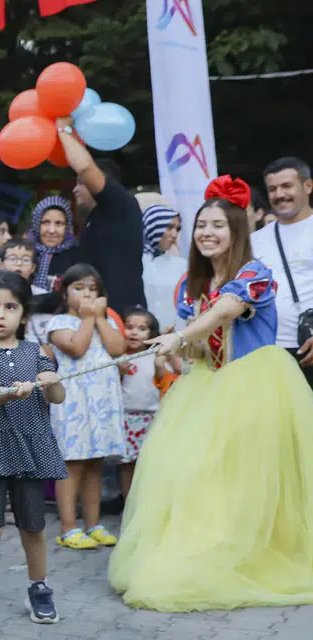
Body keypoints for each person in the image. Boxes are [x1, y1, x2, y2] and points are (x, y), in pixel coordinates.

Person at [110, 176, 313, 611]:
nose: (207, 232)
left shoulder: (254, 274)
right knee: (193, 474)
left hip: (256, 386)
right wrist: (176, 346)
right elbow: (203, 346)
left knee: (245, 480)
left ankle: (247, 556)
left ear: (236, 230)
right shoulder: (192, 285)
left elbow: (226, 311)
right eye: (201, 225)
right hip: (207, 386)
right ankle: (197, 553)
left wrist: (182, 335)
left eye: (218, 225)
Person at [0, 272, 66, 638]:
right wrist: (13, 391)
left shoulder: (37, 352)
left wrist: (52, 382)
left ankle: (39, 588)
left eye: (10, 307)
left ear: (23, 315)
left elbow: (57, 397)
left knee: (33, 526)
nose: (0, 314)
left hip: (30, 449)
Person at [44, 264, 125, 549]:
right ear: (65, 293)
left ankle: (94, 524)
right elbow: (77, 348)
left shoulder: (106, 321)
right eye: (79, 288)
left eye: (93, 289)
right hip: (74, 402)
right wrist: (89, 318)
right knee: (73, 463)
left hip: (101, 401)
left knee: (95, 462)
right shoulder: (59, 323)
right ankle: (68, 527)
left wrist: (99, 318)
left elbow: (118, 349)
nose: (87, 294)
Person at [55, 116, 147, 311]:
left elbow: (85, 167)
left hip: (124, 314)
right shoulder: (95, 216)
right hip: (96, 312)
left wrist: (63, 131)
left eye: (81, 183)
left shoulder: (121, 204)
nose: (75, 190)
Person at [250, 157, 313, 388]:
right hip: (268, 351)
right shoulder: (255, 240)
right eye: (272, 189)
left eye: (287, 186)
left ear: (308, 186)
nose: (279, 195)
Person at [116, 308, 172, 500]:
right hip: (126, 419)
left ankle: (146, 504)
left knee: (149, 464)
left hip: (152, 418)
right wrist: (119, 371)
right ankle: (128, 505)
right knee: (127, 466)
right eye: (129, 327)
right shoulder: (119, 359)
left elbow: (165, 380)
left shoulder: (156, 356)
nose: (134, 332)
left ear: (151, 334)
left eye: (142, 329)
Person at [141, 204, 186, 333]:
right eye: (169, 227)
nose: (174, 234)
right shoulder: (132, 262)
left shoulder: (182, 266)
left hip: (172, 338)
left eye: (177, 229)